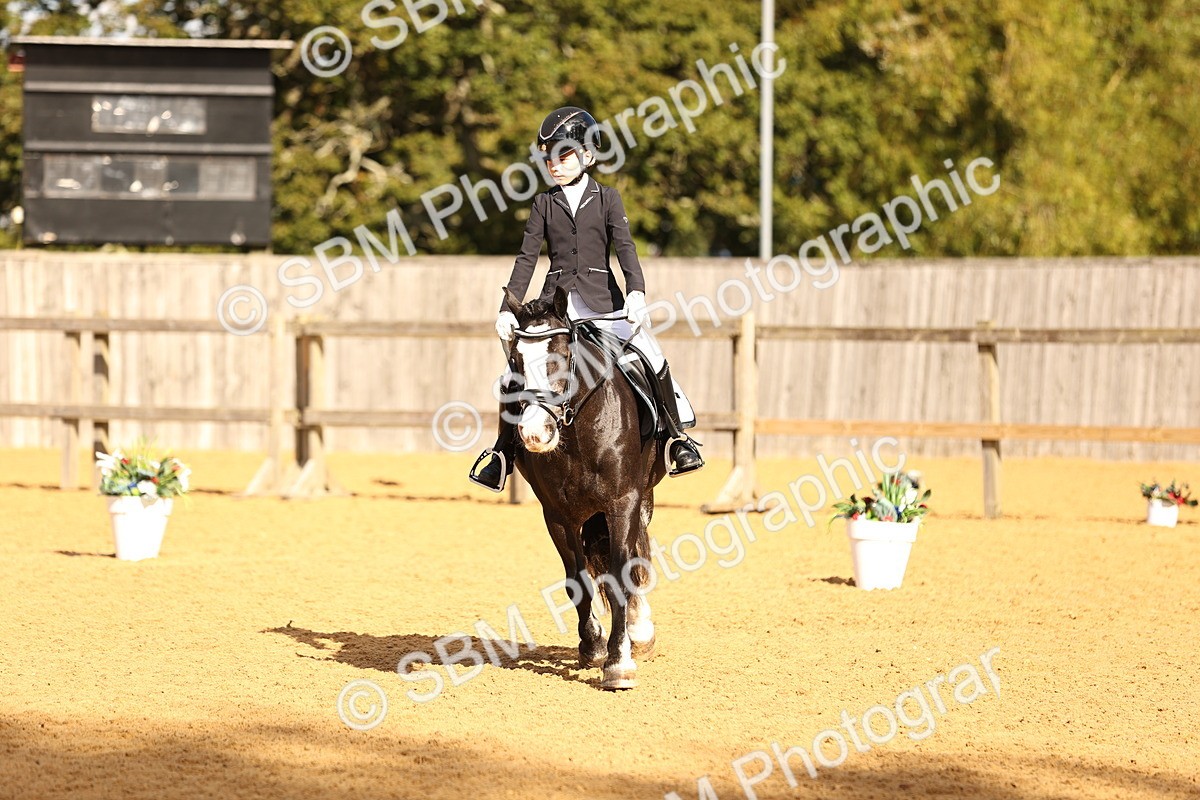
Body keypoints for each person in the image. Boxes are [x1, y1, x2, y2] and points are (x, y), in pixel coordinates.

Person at [468, 106, 703, 492]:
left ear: (588, 156)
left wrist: (636, 292)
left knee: (652, 354)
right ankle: (502, 452)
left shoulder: (608, 198)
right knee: (516, 369)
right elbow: (527, 258)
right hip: (556, 308)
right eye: (549, 158)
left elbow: (625, 248)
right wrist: (507, 309)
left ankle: (677, 439)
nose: (554, 165)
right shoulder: (544, 203)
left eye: (564, 156)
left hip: (604, 303)